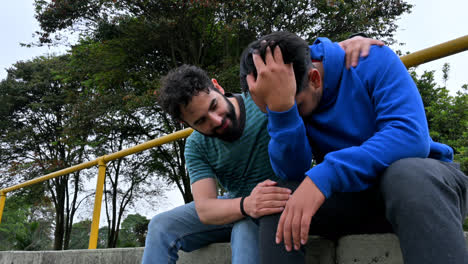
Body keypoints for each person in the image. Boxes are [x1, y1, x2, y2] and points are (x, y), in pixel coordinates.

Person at [141, 36, 385, 264]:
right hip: (239, 204)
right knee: (161, 225)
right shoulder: (196, 145)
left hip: (279, 201)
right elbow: (205, 208)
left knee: (246, 230)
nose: (216, 120)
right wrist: (247, 204)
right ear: (187, 124)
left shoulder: (263, 99)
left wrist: (346, 43)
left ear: (217, 86)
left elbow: (297, 61)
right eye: (201, 121)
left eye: (214, 106)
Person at [240, 31, 468, 264]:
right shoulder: (283, 98)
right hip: (358, 199)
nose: (290, 114)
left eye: (297, 107)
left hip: (425, 189)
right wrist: (283, 113)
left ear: (315, 79)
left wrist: (328, 173)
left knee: (405, 173)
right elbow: (292, 172)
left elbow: (410, 137)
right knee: (278, 200)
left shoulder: (370, 58)